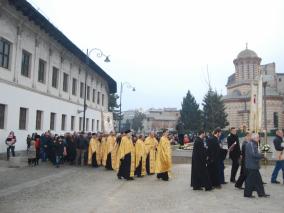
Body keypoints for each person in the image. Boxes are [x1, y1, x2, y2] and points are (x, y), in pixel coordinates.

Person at [244, 133, 269, 198]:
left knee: (258, 181)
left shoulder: (253, 144)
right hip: (252, 166)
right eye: (258, 137)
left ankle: (261, 193)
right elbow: (253, 154)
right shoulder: (251, 144)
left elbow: (255, 153)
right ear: (254, 138)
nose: (259, 139)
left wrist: (261, 154)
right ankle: (247, 194)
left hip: (253, 165)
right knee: (250, 181)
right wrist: (262, 155)